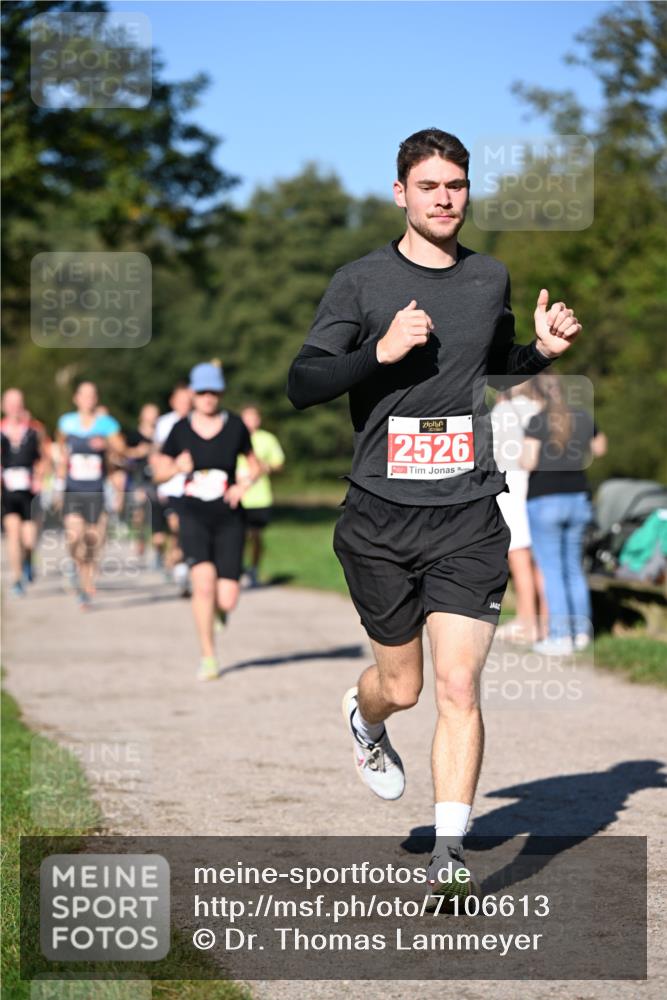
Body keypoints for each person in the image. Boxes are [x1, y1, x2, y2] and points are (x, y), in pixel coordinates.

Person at [287, 128, 582, 904]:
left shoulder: (489, 278)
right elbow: (302, 383)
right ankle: (363, 714)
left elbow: (489, 363)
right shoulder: (359, 283)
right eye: (429, 187)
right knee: (405, 688)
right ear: (400, 195)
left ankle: (449, 852)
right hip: (380, 516)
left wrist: (540, 354)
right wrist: (377, 355)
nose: (444, 198)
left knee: (458, 687)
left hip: (466, 512)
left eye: (455, 185)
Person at [153, 363, 261, 681]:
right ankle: (208, 656)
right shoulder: (180, 429)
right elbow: (158, 471)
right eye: (202, 392)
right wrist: (175, 469)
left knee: (227, 597)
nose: (208, 398)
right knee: (202, 586)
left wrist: (243, 486)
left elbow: (255, 465)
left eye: (213, 391)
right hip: (192, 513)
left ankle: (219, 613)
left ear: (221, 393)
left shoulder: (236, 426)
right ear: (192, 394)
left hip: (228, 515)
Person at [521, 370, 607, 654]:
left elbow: (529, 461)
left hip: (545, 501)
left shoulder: (536, 421)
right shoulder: (581, 416)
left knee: (552, 571)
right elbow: (600, 448)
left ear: (537, 393)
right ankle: (581, 633)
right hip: (578, 499)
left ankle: (560, 637)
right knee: (573, 568)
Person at [55, 382, 125, 608]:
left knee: (94, 542)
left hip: (97, 491)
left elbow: (121, 451)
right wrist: (57, 483)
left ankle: (85, 589)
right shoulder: (66, 422)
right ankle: (76, 568)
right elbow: (60, 451)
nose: (88, 399)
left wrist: (106, 444)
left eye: (92, 395)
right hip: (73, 490)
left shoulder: (107, 424)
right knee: (75, 537)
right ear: (76, 398)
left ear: (96, 399)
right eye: (84, 395)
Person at [491, 382, 546, 644]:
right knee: (536, 558)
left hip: (511, 485)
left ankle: (528, 623)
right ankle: (543, 621)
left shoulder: (505, 411)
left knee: (519, 556)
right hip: (534, 485)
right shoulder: (539, 408)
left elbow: (490, 451)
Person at [1, 388, 50, 595]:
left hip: (30, 490)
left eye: (18, 403)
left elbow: (46, 458)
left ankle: (29, 560)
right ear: (4, 406)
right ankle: (17, 578)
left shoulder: (34, 431)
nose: (14, 407)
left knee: (29, 539)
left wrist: (40, 475)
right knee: (13, 532)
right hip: (8, 490)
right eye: (10, 403)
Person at [237, 404, 285, 587]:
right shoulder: (235, 437)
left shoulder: (267, 439)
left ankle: (254, 569)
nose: (250, 421)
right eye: (246, 417)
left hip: (259, 497)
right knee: (238, 536)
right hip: (238, 496)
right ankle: (237, 569)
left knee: (255, 535)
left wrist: (266, 466)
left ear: (259, 419)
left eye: (253, 417)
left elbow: (279, 463)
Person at [152, 382, 193, 592]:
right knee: (177, 527)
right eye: (181, 400)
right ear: (173, 401)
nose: (185, 404)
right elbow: (157, 455)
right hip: (171, 485)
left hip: (194, 487)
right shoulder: (164, 423)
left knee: (186, 530)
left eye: (188, 399)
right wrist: (160, 479)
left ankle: (180, 564)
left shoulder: (199, 421)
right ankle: (179, 565)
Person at [124, 403, 160, 563]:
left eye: (154, 414)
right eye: (149, 413)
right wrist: (139, 451)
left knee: (156, 513)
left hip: (158, 479)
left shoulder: (161, 434)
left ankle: (158, 547)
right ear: (142, 416)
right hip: (138, 478)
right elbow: (123, 454)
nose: (152, 417)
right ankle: (140, 539)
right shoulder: (133, 435)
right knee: (139, 511)